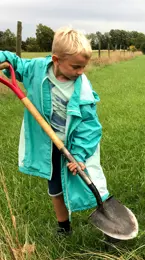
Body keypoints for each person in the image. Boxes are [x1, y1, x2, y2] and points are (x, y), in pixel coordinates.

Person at [0, 27, 109, 235]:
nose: (80, 72)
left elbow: (89, 127)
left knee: (91, 181)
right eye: (76, 67)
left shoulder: (82, 89)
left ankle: (107, 219)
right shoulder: (37, 69)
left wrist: (79, 154)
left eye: (83, 67)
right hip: (48, 144)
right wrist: (2, 58)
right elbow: (14, 63)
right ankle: (64, 227)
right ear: (56, 59)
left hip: (76, 145)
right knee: (55, 188)